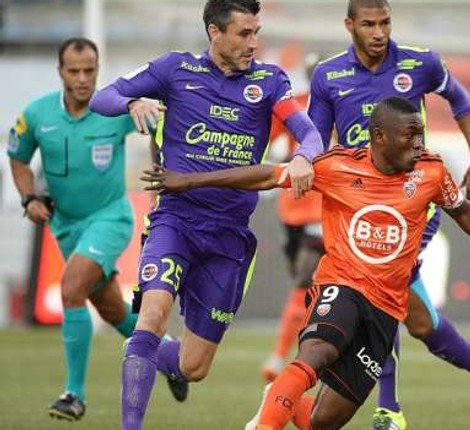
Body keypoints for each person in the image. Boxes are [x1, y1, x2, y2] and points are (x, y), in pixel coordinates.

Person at [141, 96, 470, 430]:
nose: (419, 144)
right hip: (342, 286)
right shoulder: (336, 166)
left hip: (386, 309)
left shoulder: (431, 173)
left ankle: (279, 396)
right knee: (317, 353)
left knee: (321, 422)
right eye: (410, 135)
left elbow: (464, 212)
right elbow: (266, 175)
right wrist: (190, 181)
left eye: (421, 133)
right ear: (380, 138)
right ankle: (270, 417)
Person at [89, 1, 323, 429]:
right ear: (215, 33)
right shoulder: (175, 70)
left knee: (194, 366)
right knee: (152, 314)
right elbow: (104, 96)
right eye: (244, 34)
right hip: (174, 220)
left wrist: (306, 156)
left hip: (229, 237)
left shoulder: (269, 81)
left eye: (257, 32)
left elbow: (307, 131)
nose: (254, 43)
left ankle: (162, 358)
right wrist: (132, 103)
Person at [306, 1, 470, 429]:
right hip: (360, 202)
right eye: (369, 24)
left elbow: (461, 100)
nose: (379, 33)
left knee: (382, 284)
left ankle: (389, 409)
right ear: (349, 25)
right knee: (420, 323)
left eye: (385, 23)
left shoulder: (422, 63)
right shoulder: (328, 76)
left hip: (413, 200)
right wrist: (306, 168)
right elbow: (314, 142)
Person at [6, 37, 184, 422]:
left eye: (90, 70)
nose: (84, 78)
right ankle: (171, 354)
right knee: (112, 309)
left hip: (110, 219)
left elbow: (160, 127)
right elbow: (18, 158)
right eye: (75, 71)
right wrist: (28, 199)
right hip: (65, 227)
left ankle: (74, 394)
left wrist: (166, 170)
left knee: (70, 288)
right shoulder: (37, 115)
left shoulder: (112, 110)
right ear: (61, 73)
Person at [261, 53, 325, 383]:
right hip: (293, 209)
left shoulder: (346, 107)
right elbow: (260, 142)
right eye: (314, 74)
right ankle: (300, 353)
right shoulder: (293, 107)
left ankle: (281, 357)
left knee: (305, 283)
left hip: (326, 209)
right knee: (305, 286)